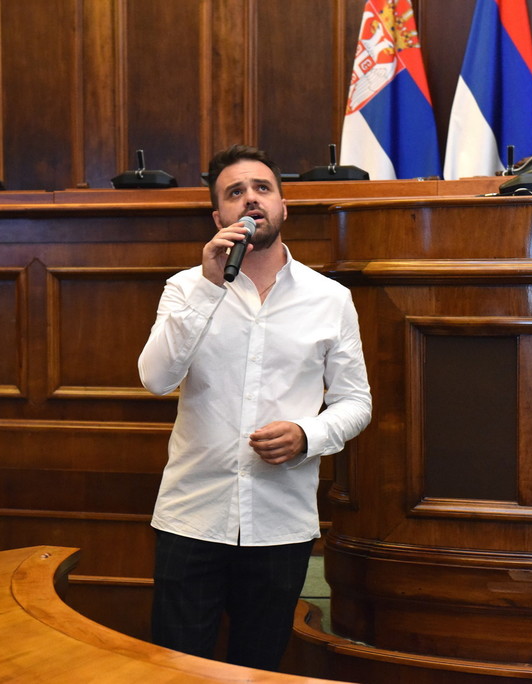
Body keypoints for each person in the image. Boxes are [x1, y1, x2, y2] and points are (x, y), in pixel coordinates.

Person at [137, 144, 372, 671]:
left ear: (283, 206)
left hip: (279, 521)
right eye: (234, 192)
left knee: (258, 669)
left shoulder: (330, 298)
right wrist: (208, 287)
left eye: (262, 188)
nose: (250, 199)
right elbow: (155, 379)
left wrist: (307, 435)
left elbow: (356, 402)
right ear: (218, 216)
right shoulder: (185, 288)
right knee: (177, 670)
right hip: (192, 517)